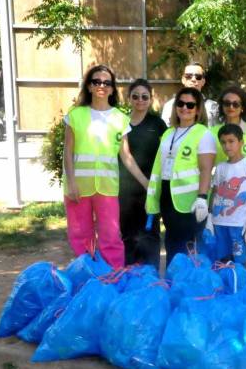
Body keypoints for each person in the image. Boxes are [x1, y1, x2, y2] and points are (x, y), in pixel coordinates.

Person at [63, 64, 149, 269]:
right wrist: (72, 183)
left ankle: (113, 277)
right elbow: (67, 152)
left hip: (107, 187)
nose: (101, 85)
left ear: (112, 89)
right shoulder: (75, 115)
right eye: (96, 81)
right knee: (81, 235)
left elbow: (126, 156)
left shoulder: (120, 118)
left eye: (106, 82)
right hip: (78, 188)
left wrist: (146, 182)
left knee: (110, 235)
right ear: (89, 86)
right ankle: (85, 275)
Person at [145, 87, 217, 266]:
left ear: (198, 110)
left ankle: (190, 284)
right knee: (171, 242)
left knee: (189, 245)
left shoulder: (203, 133)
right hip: (168, 196)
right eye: (181, 103)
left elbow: (206, 169)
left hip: (190, 201)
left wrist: (202, 198)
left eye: (190, 105)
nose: (185, 108)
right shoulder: (169, 133)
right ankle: (173, 279)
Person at [120, 78, 166, 268]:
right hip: (126, 189)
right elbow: (123, 154)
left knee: (150, 234)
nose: (140, 100)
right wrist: (144, 182)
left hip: (151, 190)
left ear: (151, 99)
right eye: (136, 96)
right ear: (129, 98)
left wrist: (154, 186)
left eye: (144, 97)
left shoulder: (158, 124)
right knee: (128, 235)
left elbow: (166, 155)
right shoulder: (121, 123)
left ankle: (151, 278)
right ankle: (129, 277)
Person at [207, 124, 246, 267]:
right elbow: (215, 192)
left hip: (239, 224)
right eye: (223, 142)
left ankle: (243, 287)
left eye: (231, 141)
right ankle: (225, 287)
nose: (227, 146)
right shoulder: (220, 167)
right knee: (221, 260)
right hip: (219, 222)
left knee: (240, 261)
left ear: (241, 142)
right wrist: (209, 217)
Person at [211, 85, 246, 166]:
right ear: (222, 106)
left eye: (236, 104)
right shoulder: (211, 132)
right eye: (227, 103)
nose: (231, 107)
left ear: (242, 107)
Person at [161, 62, 218, 127]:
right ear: (183, 80)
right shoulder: (170, 105)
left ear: (203, 81)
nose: (193, 79)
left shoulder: (213, 106)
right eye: (188, 76)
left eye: (198, 77)